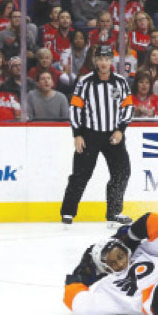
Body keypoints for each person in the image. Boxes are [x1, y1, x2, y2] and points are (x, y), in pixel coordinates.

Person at [60, 45, 134, 226]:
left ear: (111, 61)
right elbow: (75, 108)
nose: (103, 62)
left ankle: (114, 212)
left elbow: (128, 106)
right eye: (100, 58)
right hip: (89, 134)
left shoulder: (120, 82)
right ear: (95, 60)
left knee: (122, 172)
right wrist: (77, 134)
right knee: (80, 174)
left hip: (113, 136)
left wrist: (120, 130)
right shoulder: (85, 82)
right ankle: (68, 212)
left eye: (107, 59)